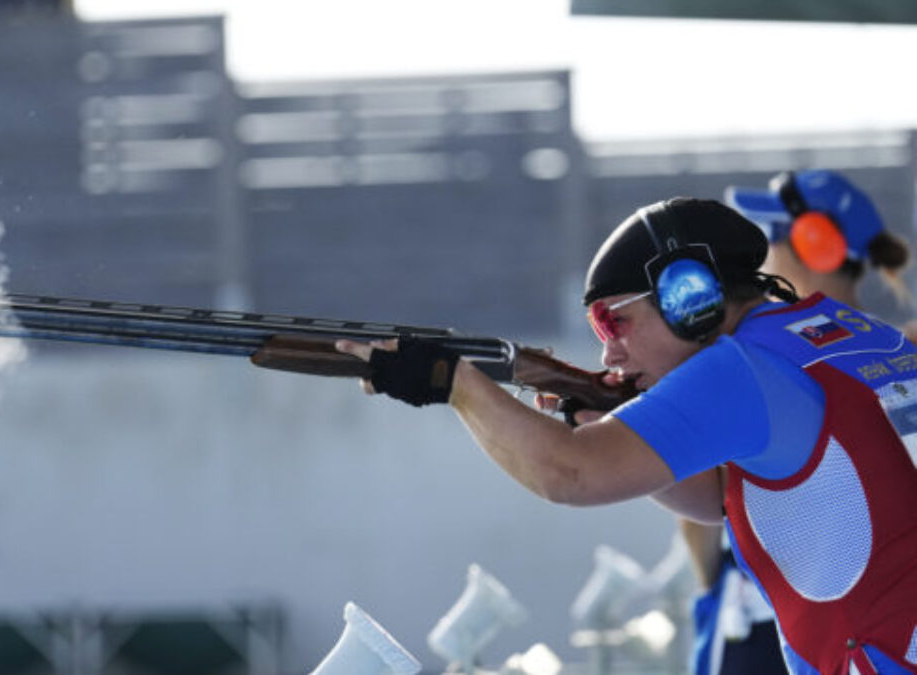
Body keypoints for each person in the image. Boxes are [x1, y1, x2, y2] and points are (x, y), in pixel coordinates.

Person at [335, 197, 917, 675]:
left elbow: (568, 474)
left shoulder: (741, 369)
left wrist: (452, 383)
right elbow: (730, 496)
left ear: (690, 298)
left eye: (616, 321)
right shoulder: (842, 333)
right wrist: (615, 428)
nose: (608, 352)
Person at [673, 169, 915, 675]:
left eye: (771, 241)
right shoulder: (898, 350)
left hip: (777, 628)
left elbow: (704, 514)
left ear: (817, 244)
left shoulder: (752, 360)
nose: (762, 262)